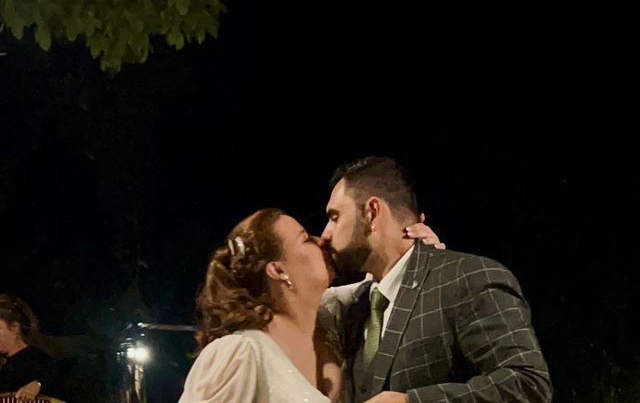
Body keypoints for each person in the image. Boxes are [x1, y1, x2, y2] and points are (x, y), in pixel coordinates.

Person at [320, 156, 553, 403]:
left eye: (334, 217)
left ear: (372, 212)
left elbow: (528, 385)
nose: (326, 233)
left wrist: (411, 401)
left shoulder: (466, 276)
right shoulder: (354, 309)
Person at [178, 207, 441, 403]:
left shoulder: (333, 332)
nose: (322, 240)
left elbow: (385, 287)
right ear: (279, 270)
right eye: (305, 238)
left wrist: (416, 259)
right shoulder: (241, 352)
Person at [0, 294, 56, 400]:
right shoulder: (4, 363)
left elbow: (53, 374)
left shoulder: (38, 359)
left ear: (14, 328)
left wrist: (38, 383)